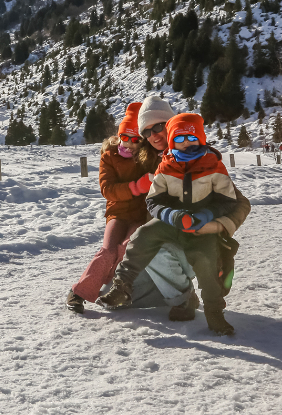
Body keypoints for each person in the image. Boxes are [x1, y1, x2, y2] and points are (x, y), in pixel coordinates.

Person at [98, 113, 247, 336]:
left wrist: (209, 217)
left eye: (191, 138)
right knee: (141, 237)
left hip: (201, 227)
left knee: (206, 261)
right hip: (171, 222)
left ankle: (214, 312)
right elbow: (153, 200)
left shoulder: (213, 166)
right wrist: (171, 215)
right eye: (178, 139)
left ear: (201, 138)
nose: (185, 143)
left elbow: (229, 201)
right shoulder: (165, 165)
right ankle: (123, 286)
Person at [65, 102, 153, 313]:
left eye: (135, 140)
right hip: (118, 213)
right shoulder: (109, 156)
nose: (129, 144)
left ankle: (117, 291)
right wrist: (137, 186)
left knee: (127, 249)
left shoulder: (147, 158)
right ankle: (78, 292)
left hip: (141, 215)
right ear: (119, 136)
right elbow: (108, 190)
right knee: (108, 251)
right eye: (125, 138)